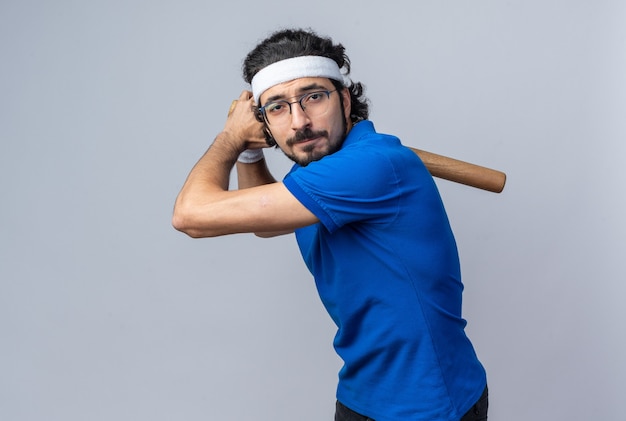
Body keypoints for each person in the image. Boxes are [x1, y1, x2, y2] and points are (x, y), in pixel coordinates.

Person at [172, 28, 488, 421]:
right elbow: (267, 223)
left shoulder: (367, 166)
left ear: (344, 98)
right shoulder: (323, 173)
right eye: (277, 108)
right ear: (265, 125)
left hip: (425, 403)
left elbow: (190, 215)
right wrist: (250, 155)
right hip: (364, 393)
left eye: (313, 97)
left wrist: (229, 138)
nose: (299, 121)